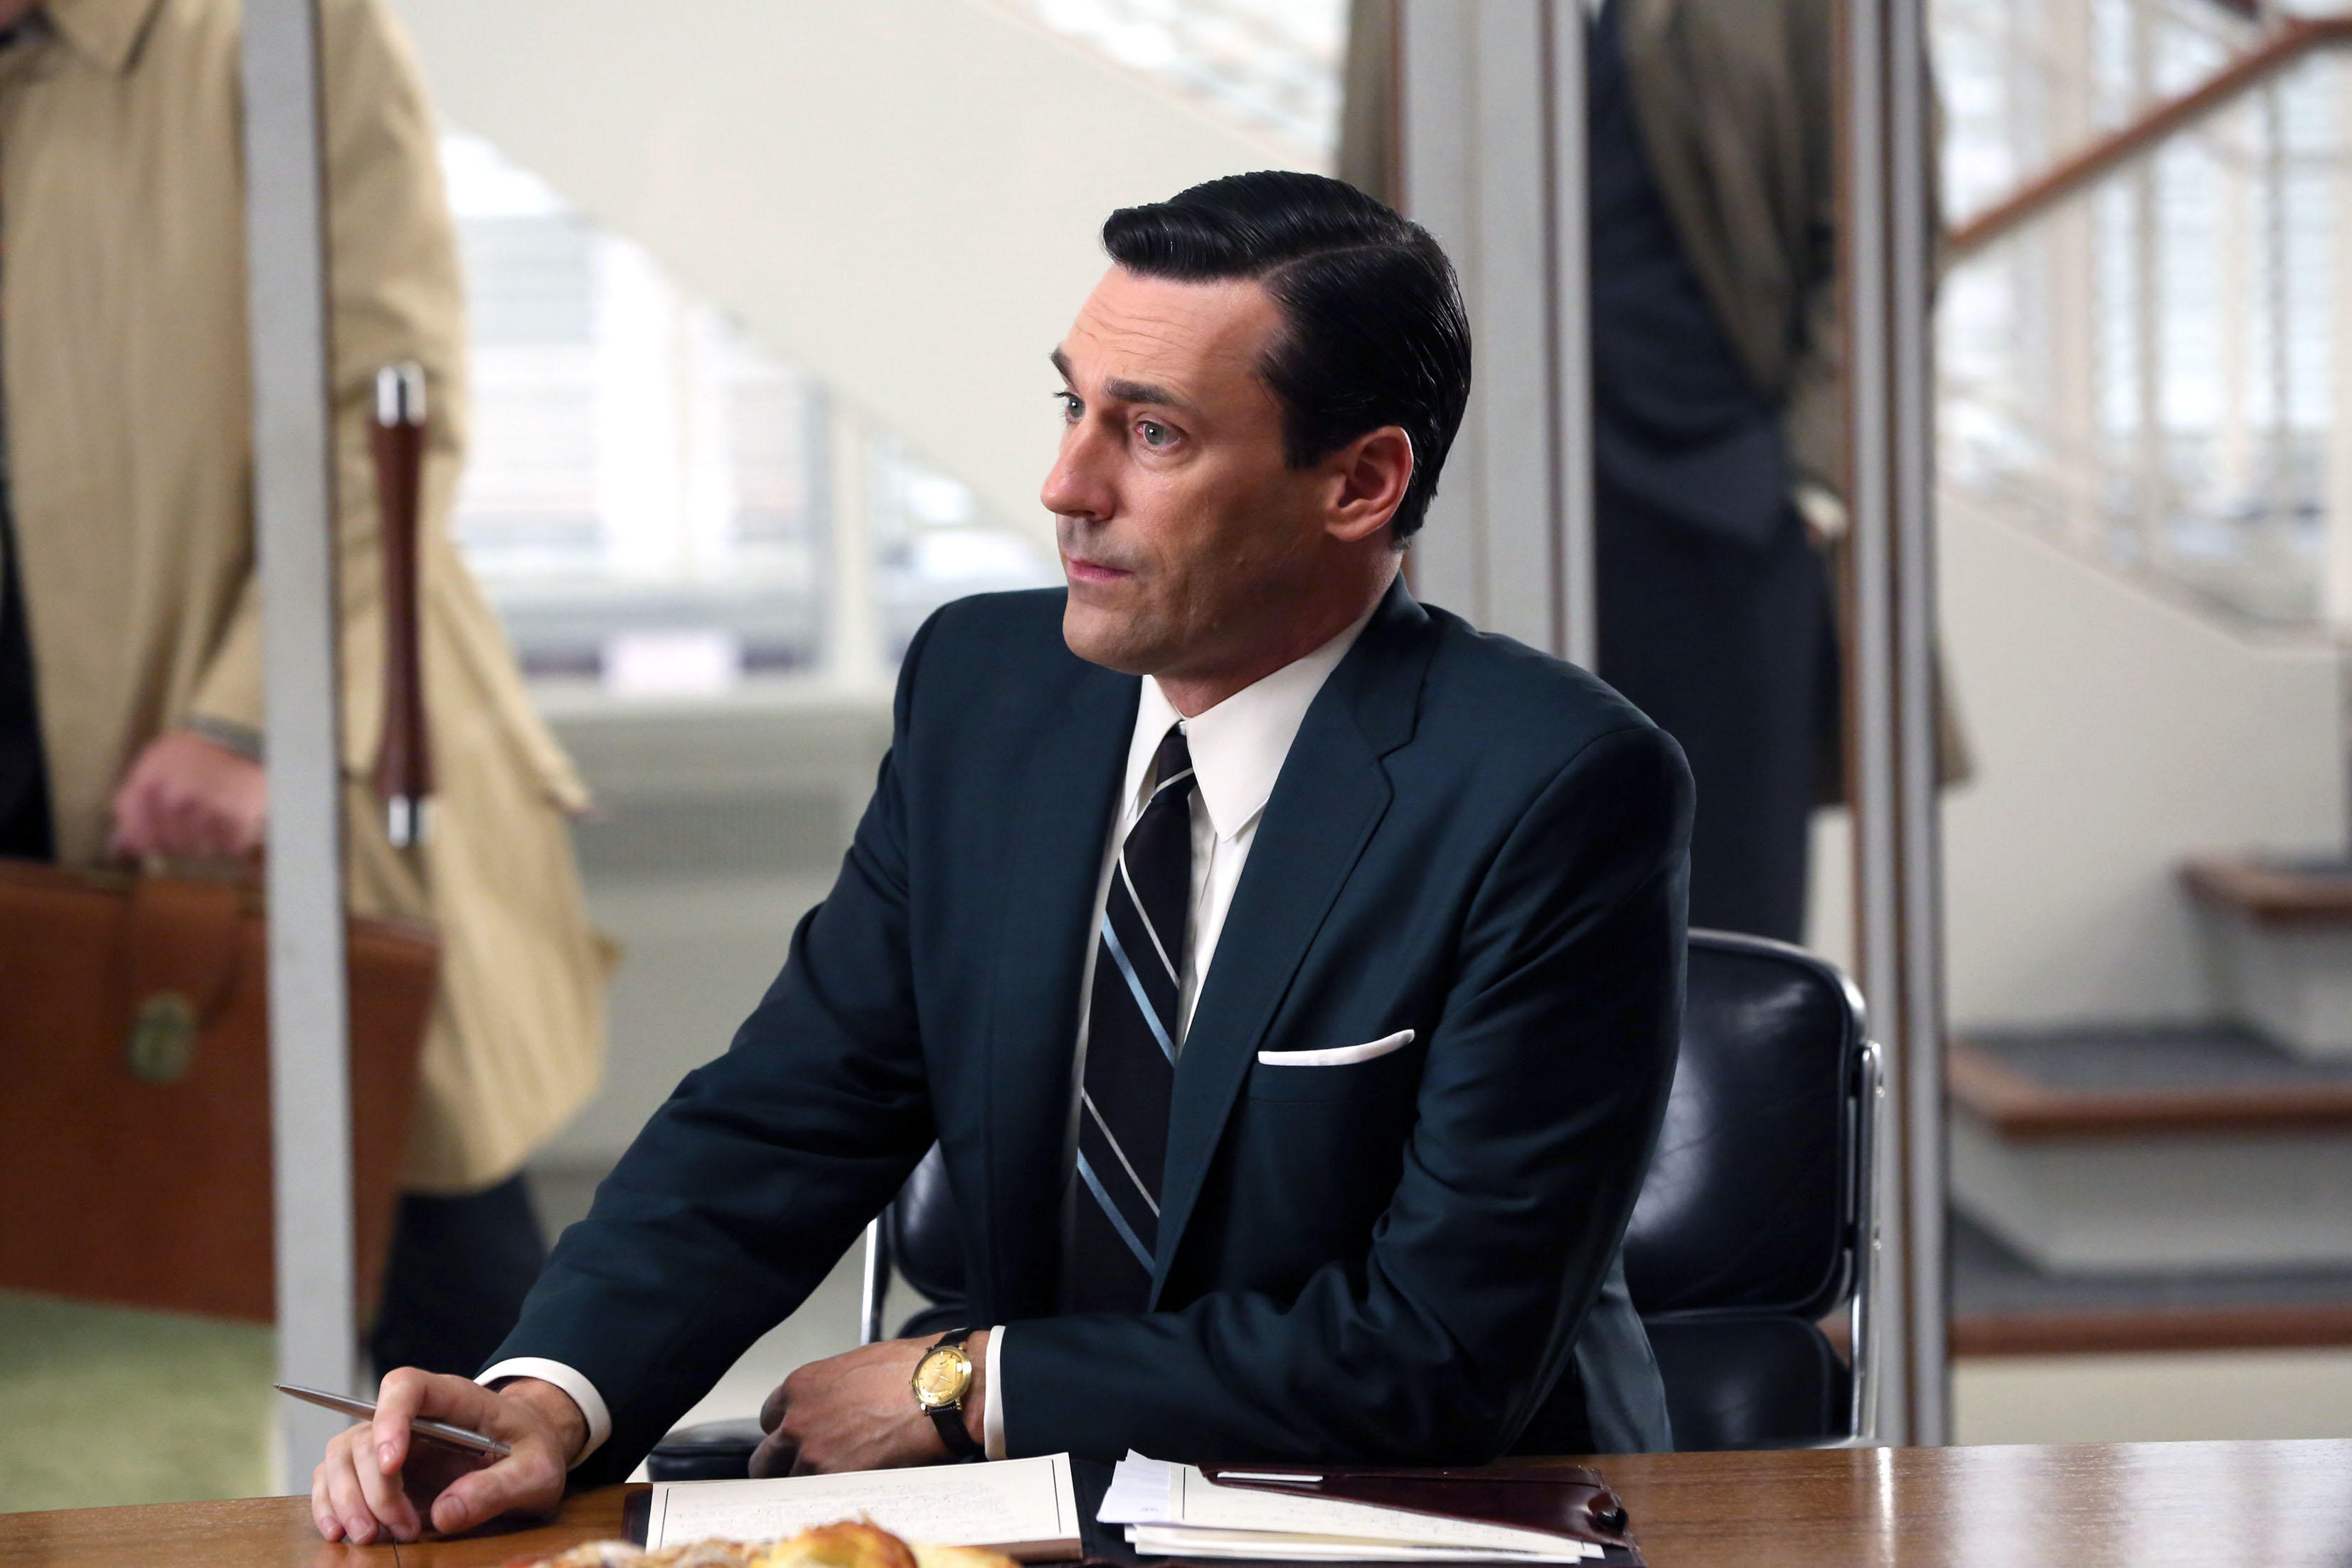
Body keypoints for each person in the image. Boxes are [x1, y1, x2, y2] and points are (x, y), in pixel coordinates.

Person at [313, 171, 1692, 1546]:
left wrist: (970, 1379)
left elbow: (1434, 1350)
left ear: (1360, 482)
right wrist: (551, 1397)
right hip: (1015, 1518)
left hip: (1422, 1521)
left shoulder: (1554, 786)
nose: (1066, 484)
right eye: (1071, 405)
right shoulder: (985, 694)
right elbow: (786, 1111)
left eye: (1149, 433)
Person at [0, 0, 610, 1373]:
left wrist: (249, 715)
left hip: (269, 766)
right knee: (78, 1366)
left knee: (436, 1329)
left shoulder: (282, 32)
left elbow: (390, 411)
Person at [1586, 0, 1843, 944]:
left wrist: (1812, 473)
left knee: (1727, 931)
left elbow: (1872, 221)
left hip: (1729, 512)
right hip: (1494, 503)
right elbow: (1363, 212)